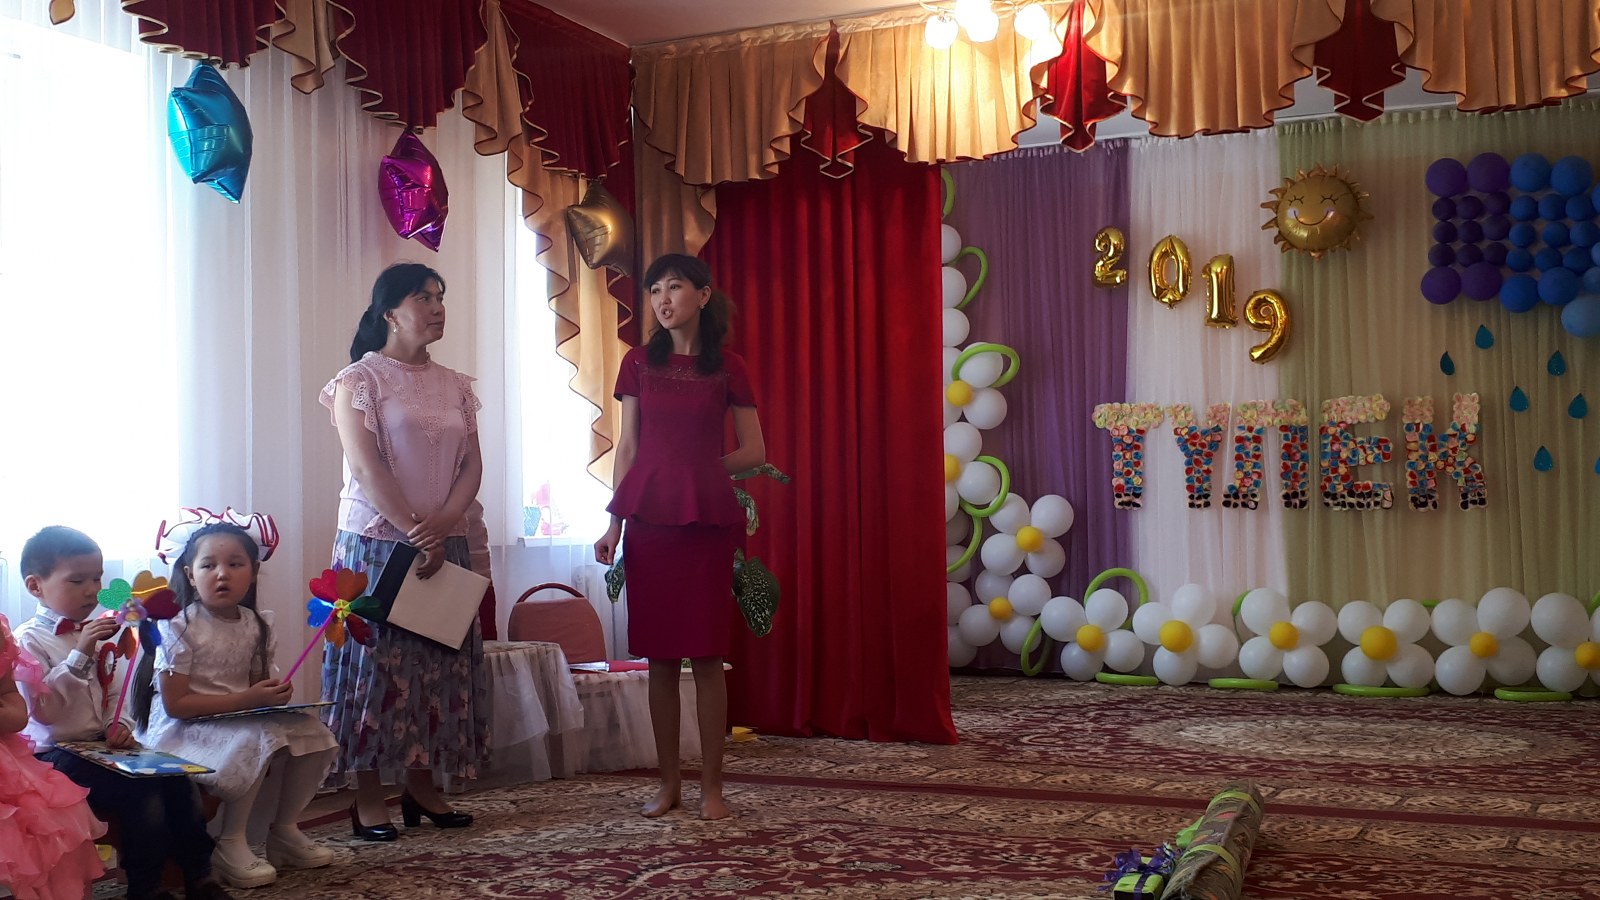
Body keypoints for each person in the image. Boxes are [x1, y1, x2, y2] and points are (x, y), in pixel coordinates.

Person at [320, 262, 489, 841]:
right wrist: (416, 531)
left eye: (440, 296)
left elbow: (472, 465)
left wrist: (441, 527)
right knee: (373, 673)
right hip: (375, 544)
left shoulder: (457, 384)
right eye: (423, 297)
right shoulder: (358, 380)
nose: (437, 307)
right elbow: (367, 469)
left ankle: (422, 787)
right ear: (390, 312)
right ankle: (367, 796)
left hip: (444, 540)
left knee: (436, 670)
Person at [594, 253, 765, 821]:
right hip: (648, 523)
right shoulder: (638, 362)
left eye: (674, 287)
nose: (662, 300)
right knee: (661, 660)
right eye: (654, 291)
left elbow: (755, 450)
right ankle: (668, 786)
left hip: (705, 523)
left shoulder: (729, 367)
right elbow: (628, 448)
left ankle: (713, 790)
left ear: (703, 295)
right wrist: (614, 523)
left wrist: (702, 474)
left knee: (709, 657)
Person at [14, 525, 231, 900]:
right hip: (55, 754)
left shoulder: (103, 632)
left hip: (102, 745)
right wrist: (79, 654)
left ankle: (199, 876)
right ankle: (145, 888)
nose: (91, 590)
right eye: (77, 580)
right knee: (140, 791)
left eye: (97, 578)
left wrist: (123, 726)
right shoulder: (28, 640)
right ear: (36, 586)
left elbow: (116, 692)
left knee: (178, 781)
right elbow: (44, 712)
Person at [131, 522, 338, 889]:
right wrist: (249, 699)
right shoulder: (178, 627)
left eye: (235, 564)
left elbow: (256, 688)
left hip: (236, 719)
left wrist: (273, 694)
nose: (222, 573)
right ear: (190, 575)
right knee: (255, 738)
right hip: (185, 729)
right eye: (208, 565)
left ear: (253, 572)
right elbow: (177, 705)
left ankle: (284, 830)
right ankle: (230, 842)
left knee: (315, 733)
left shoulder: (258, 624)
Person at [0, 611, 107, 900]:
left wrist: (9, 714)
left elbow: (16, 708)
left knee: (58, 814)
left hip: (9, 763)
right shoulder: (32, 636)